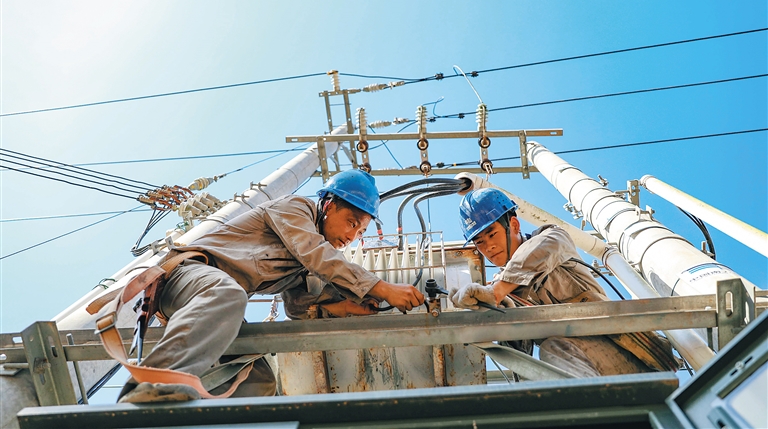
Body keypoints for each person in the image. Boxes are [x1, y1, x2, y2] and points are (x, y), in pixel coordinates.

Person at [118, 169, 424, 402]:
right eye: (352, 221)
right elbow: (317, 254)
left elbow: (296, 304)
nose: (354, 234)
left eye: (361, 229)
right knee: (227, 294)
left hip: (214, 305)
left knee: (260, 380)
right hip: (189, 276)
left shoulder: (304, 259)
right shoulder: (296, 210)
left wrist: (344, 305)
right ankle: (153, 384)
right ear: (329, 206)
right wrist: (381, 288)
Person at [450, 188, 673, 378]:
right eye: (479, 241)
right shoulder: (501, 289)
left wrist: (496, 292)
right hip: (583, 365)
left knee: (554, 347)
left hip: (624, 351)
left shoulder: (551, 238)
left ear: (515, 225)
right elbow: (522, 352)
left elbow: (543, 249)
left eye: (492, 234)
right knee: (549, 357)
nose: (488, 246)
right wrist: (495, 311)